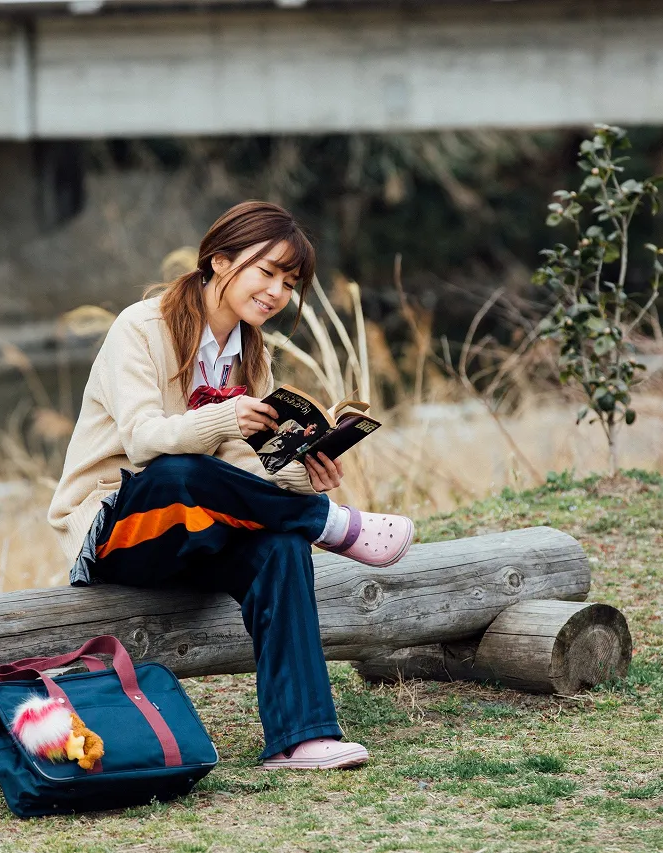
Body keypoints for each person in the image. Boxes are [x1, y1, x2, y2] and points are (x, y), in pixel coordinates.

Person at [46, 200, 415, 770]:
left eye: (289, 284)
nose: (276, 293)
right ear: (220, 260)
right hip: (117, 532)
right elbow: (143, 441)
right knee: (177, 473)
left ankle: (301, 738)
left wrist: (304, 473)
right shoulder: (140, 327)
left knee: (280, 544)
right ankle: (334, 526)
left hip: (195, 536)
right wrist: (227, 417)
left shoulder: (250, 357)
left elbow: (242, 472)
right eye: (266, 272)